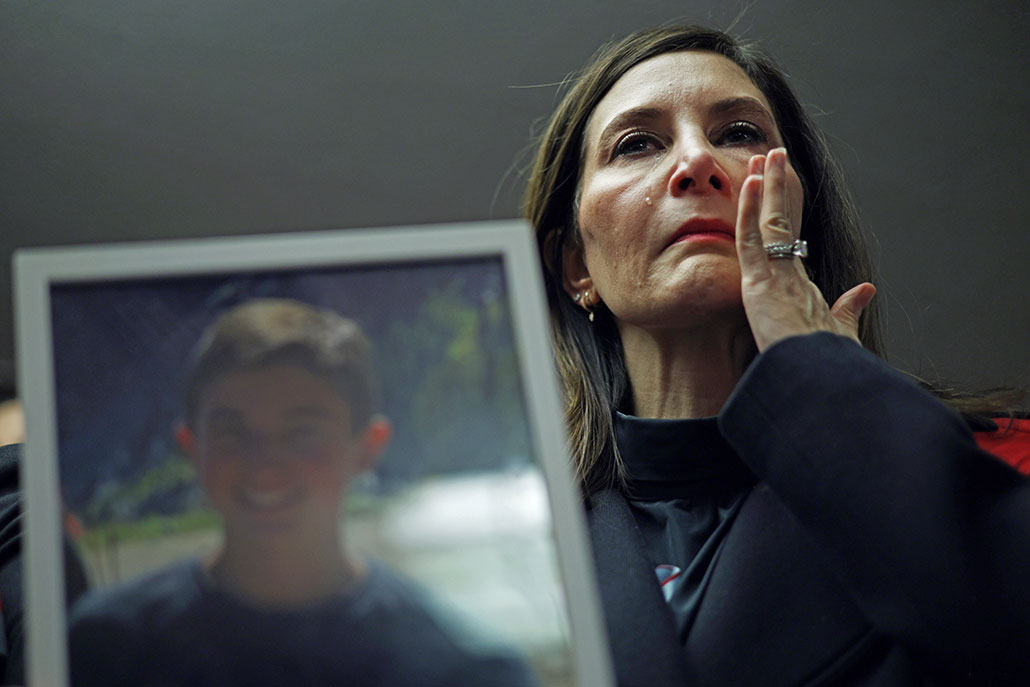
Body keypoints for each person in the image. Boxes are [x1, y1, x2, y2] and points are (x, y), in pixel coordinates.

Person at [524, 25, 1030, 686]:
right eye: (638, 143)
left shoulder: (1001, 459)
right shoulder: (515, 540)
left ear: (796, 222)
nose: (694, 163)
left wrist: (818, 371)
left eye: (739, 134)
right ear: (574, 267)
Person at [67, 298, 538, 687]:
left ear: (367, 449)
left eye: (302, 433)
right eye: (232, 433)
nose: (265, 466)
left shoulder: (465, 670)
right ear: (191, 448)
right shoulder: (101, 649)